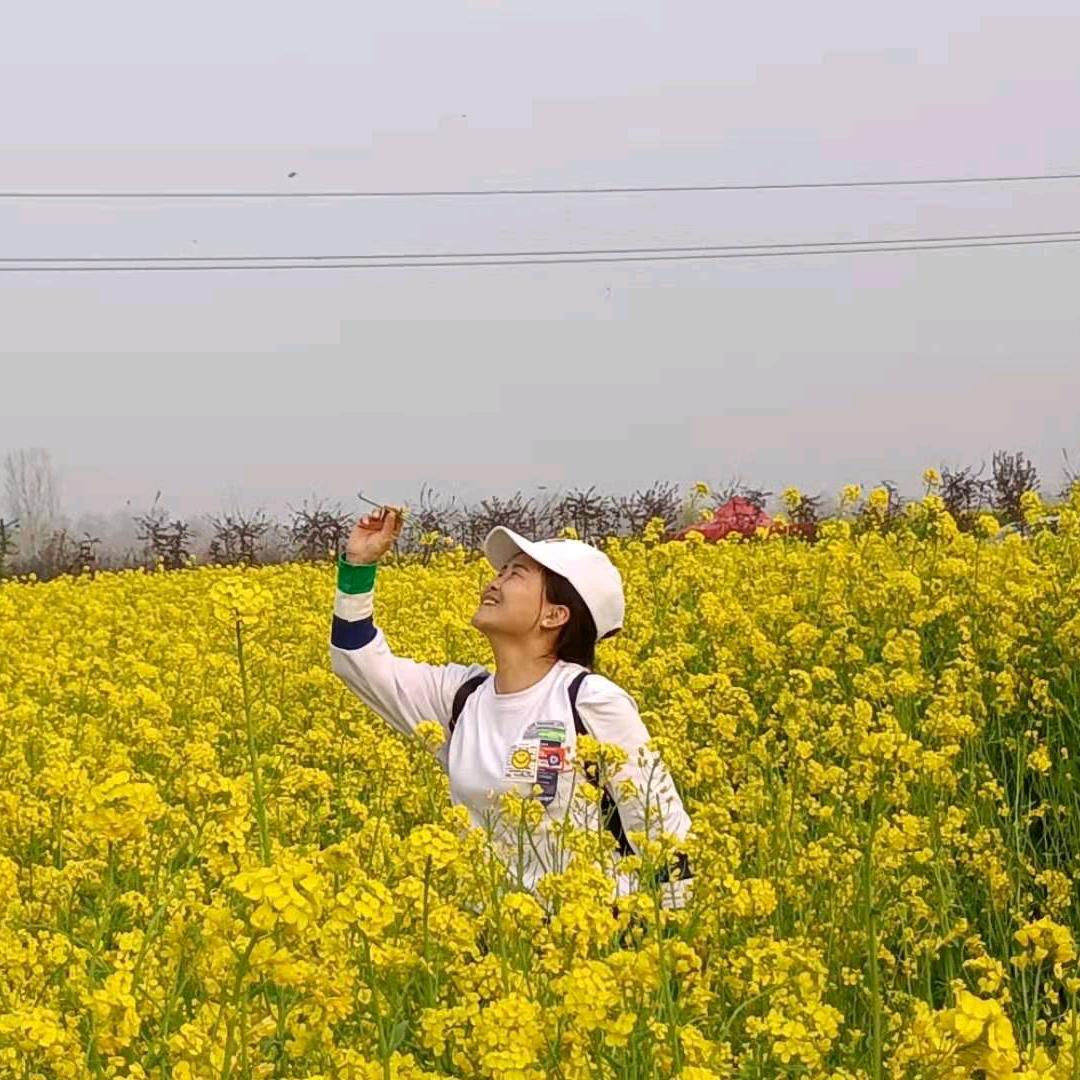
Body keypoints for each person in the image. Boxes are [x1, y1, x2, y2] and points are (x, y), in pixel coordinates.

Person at [329, 505, 693, 910]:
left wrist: (675, 947)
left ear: (555, 615)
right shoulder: (461, 697)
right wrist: (358, 567)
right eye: (500, 572)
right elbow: (357, 660)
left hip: (595, 942)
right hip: (493, 945)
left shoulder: (589, 701)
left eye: (515, 574)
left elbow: (663, 831)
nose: (494, 582)